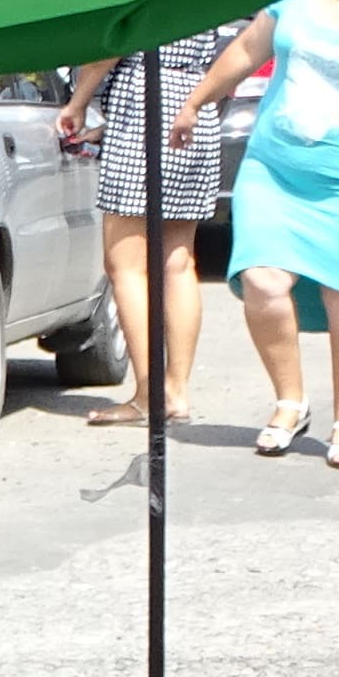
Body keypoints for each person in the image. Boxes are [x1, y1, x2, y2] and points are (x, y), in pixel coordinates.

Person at [177, 0, 339, 468]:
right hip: (273, 168)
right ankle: (290, 401)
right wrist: (196, 102)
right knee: (262, 279)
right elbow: (247, 50)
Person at [63, 27, 243, 424]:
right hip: (195, 101)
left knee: (125, 263)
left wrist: (78, 102)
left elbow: (118, 40)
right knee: (178, 262)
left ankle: (149, 393)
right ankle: (176, 390)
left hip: (144, 100)